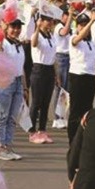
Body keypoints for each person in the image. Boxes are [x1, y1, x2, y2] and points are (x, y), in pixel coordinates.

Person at [0, 18, 27, 160]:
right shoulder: (2, 43)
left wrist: (25, 86)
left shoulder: (19, 45)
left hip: (17, 81)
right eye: (13, 27)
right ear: (6, 28)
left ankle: (8, 146)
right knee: (2, 116)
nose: (16, 30)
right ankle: (1, 148)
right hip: (4, 82)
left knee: (12, 117)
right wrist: (1, 33)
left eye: (18, 27)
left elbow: (22, 67)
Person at [67, 12, 95, 143]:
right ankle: (73, 139)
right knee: (76, 110)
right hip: (77, 76)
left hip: (90, 76)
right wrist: (91, 22)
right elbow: (78, 38)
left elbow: (93, 63)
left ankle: (83, 137)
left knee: (87, 110)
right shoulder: (74, 38)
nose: (83, 27)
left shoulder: (91, 43)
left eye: (85, 24)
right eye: (81, 25)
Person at [29, 12, 57, 144]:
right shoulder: (37, 35)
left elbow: (54, 56)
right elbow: (33, 44)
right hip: (39, 69)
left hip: (49, 69)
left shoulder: (51, 36)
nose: (49, 23)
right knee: (36, 102)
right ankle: (32, 130)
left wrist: (56, 74)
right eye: (47, 20)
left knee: (46, 102)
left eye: (51, 20)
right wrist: (36, 27)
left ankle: (42, 130)